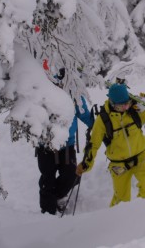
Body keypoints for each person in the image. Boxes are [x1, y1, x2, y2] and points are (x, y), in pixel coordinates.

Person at [76, 82, 145, 206]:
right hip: (118, 165)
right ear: (112, 103)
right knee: (121, 199)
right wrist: (85, 164)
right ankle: (116, 221)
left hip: (141, 157)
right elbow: (93, 144)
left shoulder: (135, 111)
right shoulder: (103, 120)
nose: (126, 108)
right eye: (121, 106)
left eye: (127, 104)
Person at [36, 67, 94, 215]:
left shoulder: (73, 94)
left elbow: (85, 115)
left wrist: (98, 125)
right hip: (45, 146)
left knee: (71, 175)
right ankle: (48, 211)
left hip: (67, 145)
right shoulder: (41, 95)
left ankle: (57, 198)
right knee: (47, 180)